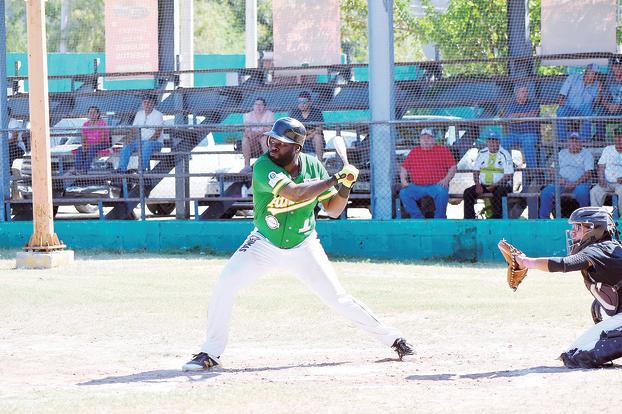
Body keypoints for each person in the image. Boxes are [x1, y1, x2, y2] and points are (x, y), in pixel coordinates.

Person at [182, 117, 413, 371]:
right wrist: (336, 178)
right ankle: (210, 352)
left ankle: (395, 340)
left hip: (304, 245)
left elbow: (333, 210)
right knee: (225, 284)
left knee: (338, 298)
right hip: (264, 243)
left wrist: (346, 185)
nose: (273, 145)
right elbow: (295, 193)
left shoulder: (313, 167)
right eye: (272, 140)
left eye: (281, 142)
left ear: (297, 148)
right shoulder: (264, 166)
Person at [514, 207, 622, 368]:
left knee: (580, 357)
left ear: (594, 228)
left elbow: (564, 264)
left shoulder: (598, 250)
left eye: (578, 227)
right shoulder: (605, 247)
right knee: (572, 355)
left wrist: (526, 262)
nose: (573, 232)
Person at [399, 128, 457, 219]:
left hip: (436, 185)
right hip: (417, 186)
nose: (425, 140)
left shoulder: (442, 150)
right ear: (419, 140)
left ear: (433, 139)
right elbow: (404, 168)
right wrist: (403, 180)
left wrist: (446, 180)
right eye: (423, 138)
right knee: (404, 193)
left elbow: (453, 167)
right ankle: (417, 218)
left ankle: (439, 219)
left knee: (442, 192)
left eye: (428, 138)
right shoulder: (414, 151)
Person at [539, 132, 593, 219]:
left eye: (576, 141)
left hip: (579, 184)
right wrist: (561, 180)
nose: (574, 143)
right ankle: (544, 221)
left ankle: (585, 219)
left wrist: (574, 184)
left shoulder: (587, 154)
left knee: (583, 193)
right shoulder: (562, 153)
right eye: (572, 141)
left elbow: (588, 173)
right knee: (546, 193)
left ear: (581, 142)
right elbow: (552, 169)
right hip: (561, 183)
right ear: (568, 142)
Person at [463, 132, 513, 219]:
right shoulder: (482, 152)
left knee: (499, 193)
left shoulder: (505, 154)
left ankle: (496, 219)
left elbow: (509, 175)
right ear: (487, 142)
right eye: (489, 141)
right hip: (484, 185)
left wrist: (494, 185)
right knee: (467, 192)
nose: (491, 143)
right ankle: (469, 220)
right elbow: (476, 171)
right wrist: (478, 185)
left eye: (494, 141)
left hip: (502, 185)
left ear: (498, 142)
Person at [117, 95, 164, 172]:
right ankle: (121, 169)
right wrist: (128, 139)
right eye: (145, 102)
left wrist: (148, 142)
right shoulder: (139, 114)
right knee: (127, 145)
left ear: (153, 103)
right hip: (141, 143)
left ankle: (141, 170)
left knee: (147, 144)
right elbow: (134, 130)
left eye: (149, 102)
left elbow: (157, 133)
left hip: (155, 143)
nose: (147, 104)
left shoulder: (158, 114)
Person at [556, 64, 600, 142]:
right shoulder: (573, 77)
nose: (596, 76)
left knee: (588, 110)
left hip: (584, 109)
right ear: (587, 72)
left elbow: (596, 103)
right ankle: (562, 141)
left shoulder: (597, 84)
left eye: (597, 74)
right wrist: (561, 101)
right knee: (560, 111)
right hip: (569, 107)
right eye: (594, 73)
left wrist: (600, 91)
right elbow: (561, 95)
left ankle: (584, 141)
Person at [502, 85, 540, 168]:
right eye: (523, 92)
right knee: (503, 143)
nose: (525, 94)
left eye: (526, 92)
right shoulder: (511, 105)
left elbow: (533, 115)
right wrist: (525, 117)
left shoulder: (533, 103)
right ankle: (508, 167)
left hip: (530, 134)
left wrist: (517, 116)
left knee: (528, 143)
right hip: (514, 134)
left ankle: (532, 169)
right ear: (517, 94)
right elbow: (510, 118)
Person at [590, 127, 622, 213]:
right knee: (594, 191)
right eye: (617, 136)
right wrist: (601, 178)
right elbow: (601, 166)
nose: (619, 139)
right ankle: (596, 216)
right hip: (606, 182)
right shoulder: (608, 149)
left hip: (620, 184)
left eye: (621, 137)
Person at [289, 91, 325, 161]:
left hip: (312, 140)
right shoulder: (294, 113)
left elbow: (319, 129)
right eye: (299, 102)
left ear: (310, 103)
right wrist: (308, 132)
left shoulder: (316, 112)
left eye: (304, 102)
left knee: (318, 137)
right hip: (299, 140)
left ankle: (320, 163)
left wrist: (307, 137)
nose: (302, 104)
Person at [74, 106, 110, 173]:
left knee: (92, 148)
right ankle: (77, 169)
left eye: (94, 112)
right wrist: (84, 146)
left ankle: (85, 169)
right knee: (80, 149)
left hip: (103, 144)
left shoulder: (102, 123)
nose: (92, 114)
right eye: (90, 112)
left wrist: (89, 145)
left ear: (98, 114)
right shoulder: (86, 124)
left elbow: (102, 139)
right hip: (89, 145)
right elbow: (83, 138)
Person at [242, 97, 275, 169]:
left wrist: (257, 133)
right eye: (256, 104)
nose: (258, 106)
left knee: (264, 139)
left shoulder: (269, 114)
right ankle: (247, 166)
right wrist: (252, 134)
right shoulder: (248, 115)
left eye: (261, 105)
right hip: (253, 140)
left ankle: (268, 165)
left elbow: (269, 129)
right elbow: (247, 129)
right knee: (245, 140)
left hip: (264, 137)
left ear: (264, 106)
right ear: (253, 106)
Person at [595, 56, 622, 141]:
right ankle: (600, 138)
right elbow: (604, 97)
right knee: (600, 111)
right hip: (610, 107)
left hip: (620, 107)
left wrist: (619, 106)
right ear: (612, 67)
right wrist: (608, 105)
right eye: (615, 66)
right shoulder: (608, 79)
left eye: (620, 66)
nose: (618, 68)